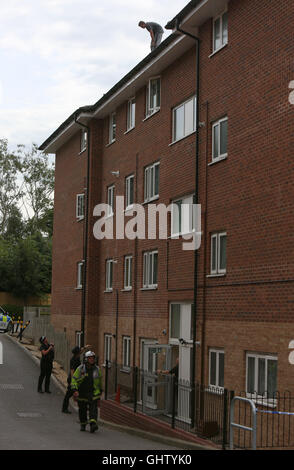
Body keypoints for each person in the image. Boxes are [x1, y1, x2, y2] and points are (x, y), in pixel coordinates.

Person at [71, 351, 102, 433]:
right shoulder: (80, 369)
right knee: (82, 410)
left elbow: (99, 381)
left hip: (93, 392)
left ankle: (93, 425)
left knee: (93, 409)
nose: (92, 360)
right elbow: (74, 379)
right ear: (86, 359)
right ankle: (83, 424)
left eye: (93, 358)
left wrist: (100, 391)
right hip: (81, 392)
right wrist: (75, 390)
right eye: (90, 358)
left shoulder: (97, 369)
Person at [62, 344, 92, 414]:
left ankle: (83, 405)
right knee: (68, 394)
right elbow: (72, 371)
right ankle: (64, 408)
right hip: (73, 379)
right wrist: (73, 381)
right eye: (79, 351)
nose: (80, 352)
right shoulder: (74, 360)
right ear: (77, 353)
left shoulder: (76, 356)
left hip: (77, 379)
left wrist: (85, 347)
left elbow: (81, 351)